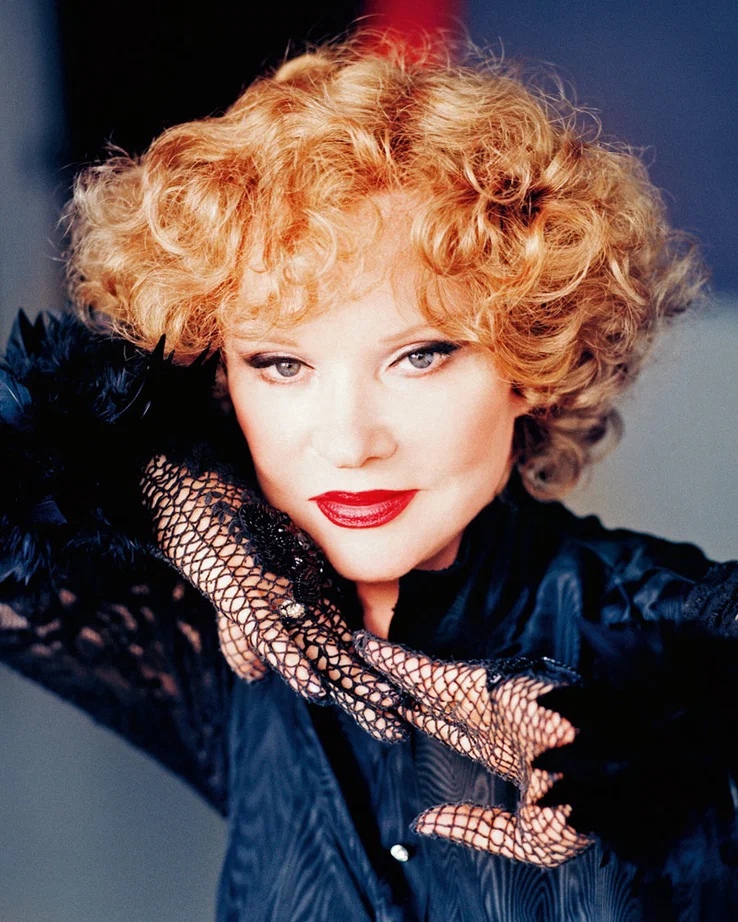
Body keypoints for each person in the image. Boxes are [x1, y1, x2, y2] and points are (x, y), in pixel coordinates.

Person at [1, 34, 737, 921]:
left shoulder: (662, 621)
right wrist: (166, 495)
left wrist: (657, 751)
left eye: (420, 355)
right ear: (221, 381)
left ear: (532, 360)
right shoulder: (213, 645)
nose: (350, 443)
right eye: (280, 363)